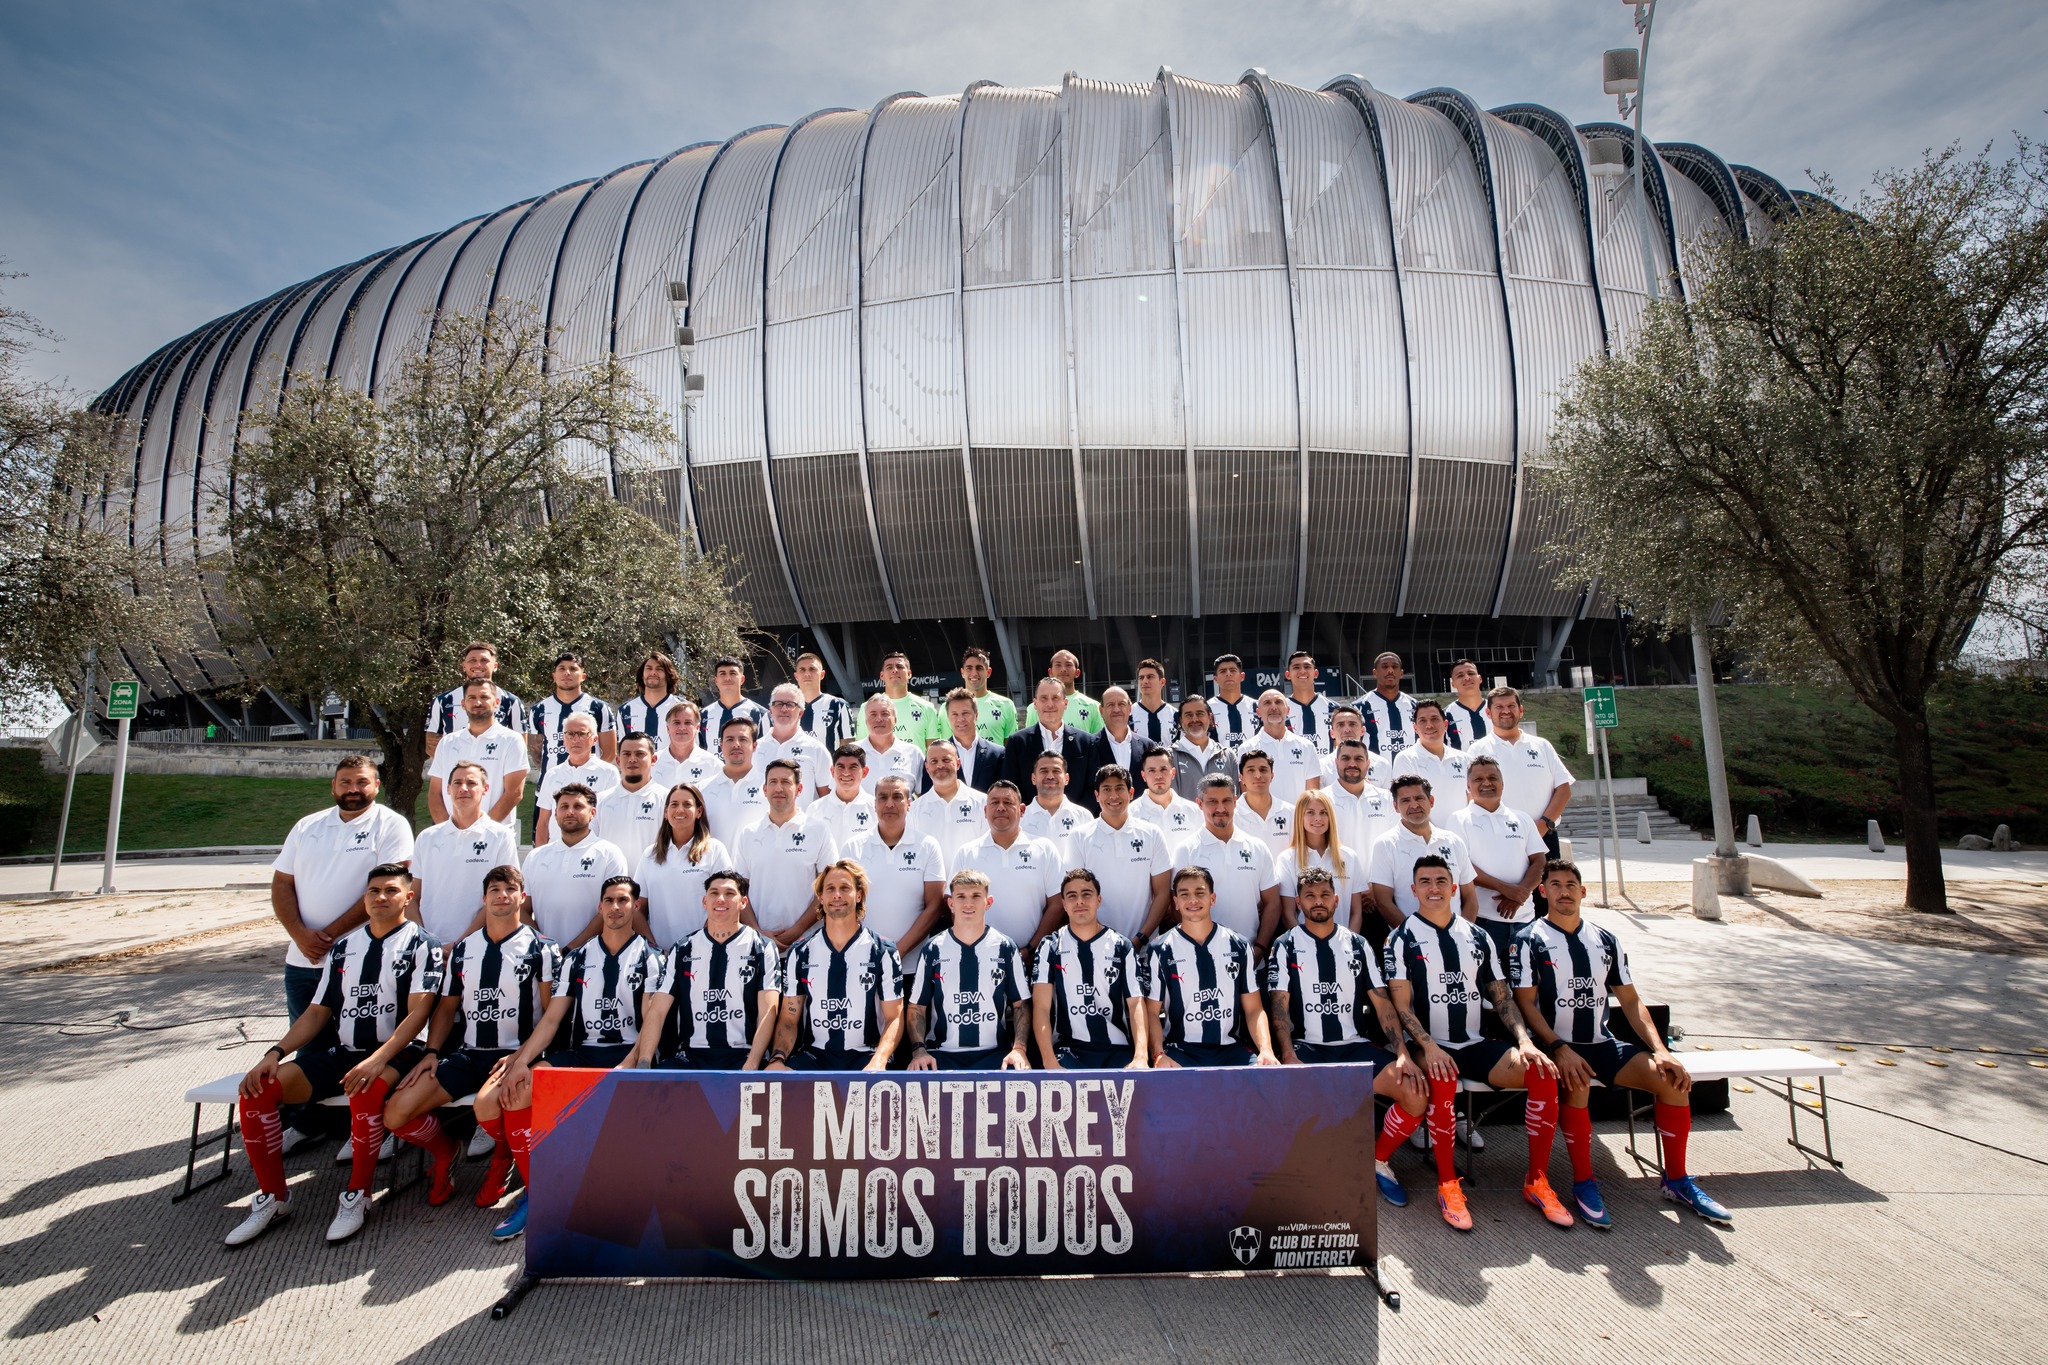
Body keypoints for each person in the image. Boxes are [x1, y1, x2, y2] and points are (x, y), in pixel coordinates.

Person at [224, 865, 441, 1247]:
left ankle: (358, 1195)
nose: (381, 897)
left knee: (365, 1089)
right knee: (259, 1090)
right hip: (346, 1052)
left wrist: (377, 1060)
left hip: (400, 1052)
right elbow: (316, 1012)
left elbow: (418, 1014)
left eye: (391, 890)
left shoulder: (424, 944)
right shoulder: (344, 947)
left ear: (408, 897)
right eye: (374, 890)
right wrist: (274, 1053)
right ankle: (274, 1197)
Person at [1514, 861, 1732, 1226]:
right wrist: (1558, 1048)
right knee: (1578, 1083)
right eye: (1556, 885)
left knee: (1672, 1081)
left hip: (1602, 1043)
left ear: (1583, 892)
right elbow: (1524, 1003)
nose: (1564, 892)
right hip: (1557, 1047)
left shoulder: (1605, 939)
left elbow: (1630, 1001)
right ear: (1543, 891)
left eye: (1571, 885)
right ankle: (1584, 1183)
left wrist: (1662, 1051)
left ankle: (1677, 1181)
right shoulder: (1528, 939)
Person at [1384, 855, 1570, 1233]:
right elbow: (1400, 1006)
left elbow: (1502, 997)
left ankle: (1537, 1181)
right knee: (1442, 1077)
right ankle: (1447, 1186)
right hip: (1429, 1045)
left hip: (1473, 1042)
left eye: (1441, 881)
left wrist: (1525, 1041)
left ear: (1454, 888)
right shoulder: (1399, 939)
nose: (1434, 888)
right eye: (1425, 882)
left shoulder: (1477, 935)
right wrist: (1429, 1047)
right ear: (1413, 890)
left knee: (1542, 1073)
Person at [382, 865, 560, 1240]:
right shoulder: (464, 949)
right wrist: (432, 1051)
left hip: (516, 1055)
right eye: (494, 890)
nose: (502, 895)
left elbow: (551, 1013)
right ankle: (445, 1152)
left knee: (486, 1106)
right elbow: (447, 1008)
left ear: (522, 898)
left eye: (510, 889)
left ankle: (502, 1156)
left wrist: (526, 1058)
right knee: (396, 1112)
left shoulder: (543, 948)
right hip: (470, 1053)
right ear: (484, 899)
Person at [484, 875, 664, 1235]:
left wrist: (626, 1066)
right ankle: (539, 1193)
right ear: (599, 907)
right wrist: (522, 1061)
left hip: (628, 1053)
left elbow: (651, 1023)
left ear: (636, 906)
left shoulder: (652, 957)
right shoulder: (578, 958)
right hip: (582, 1052)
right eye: (609, 901)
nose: (615, 907)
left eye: (623, 901)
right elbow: (552, 1018)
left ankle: (613, 1196)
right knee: (514, 1092)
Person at [1264, 867, 1429, 1207]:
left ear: (1336, 900)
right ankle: (1305, 1170)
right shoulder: (1285, 945)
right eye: (1310, 896)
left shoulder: (1358, 944)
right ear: (1298, 902)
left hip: (1355, 1047)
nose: (1318, 901)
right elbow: (1279, 1007)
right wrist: (1288, 1055)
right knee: (1283, 1100)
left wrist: (1402, 1053)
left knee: (1414, 1093)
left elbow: (1382, 1003)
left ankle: (1378, 1159)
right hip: (1307, 1048)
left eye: (1325, 895)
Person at [270, 755, 416, 1132]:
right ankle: (305, 1125)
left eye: (362, 782)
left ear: (376, 786)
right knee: (310, 1047)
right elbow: (282, 883)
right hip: (303, 960)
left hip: (363, 959)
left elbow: (385, 888)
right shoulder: (307, 826)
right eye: (346, 782)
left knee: (361, 1047)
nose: (353, 789)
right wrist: (300, 934)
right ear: (333, 785)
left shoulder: (390, 824)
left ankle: (355, 1126)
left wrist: (330, 936)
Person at [764, 861, 905, 1071]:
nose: (837, 895)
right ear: (821, 898)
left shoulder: (883, 951)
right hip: (814, 1057)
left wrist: (879, 1060)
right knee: (780, 1081)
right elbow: (789, 1019)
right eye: (830, 889)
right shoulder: (800, 952)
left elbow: (894, 1017)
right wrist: (777, 1059)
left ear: (859, 895)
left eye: (845, 888)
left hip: (865, 1055)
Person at [638, 869, 783, 1070]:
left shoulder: (761, 947)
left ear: (743, 902)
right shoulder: (683, 948)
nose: (720, 899)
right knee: (658, 1082)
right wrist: (644, 1063)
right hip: (691, 1055)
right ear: (705, 901)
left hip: (742, 1055)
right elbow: (657, 1011)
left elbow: (768, 1011)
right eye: (714, 893)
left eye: (729, 893)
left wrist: (751, 1064)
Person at [1140, 868, 1281, 1068]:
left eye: (1200, 893)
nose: (1193, 900)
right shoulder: (1160, 948)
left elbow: (1254, 1009)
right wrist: (1158, 1054)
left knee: (1266, 1075)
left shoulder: (1238, 945)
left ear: (1212, 899)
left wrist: (1266, 1050)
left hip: (1230, 1049)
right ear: (1176, 902)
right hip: (1181, 1049)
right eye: (1184, 894)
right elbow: (1152, 1012)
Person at [904, 870, 1032, 1071]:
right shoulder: (933, 948)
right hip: (942, 1054)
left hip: (994, 1054)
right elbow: (917, 1008)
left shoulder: (1005, 947)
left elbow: (1020, 1005)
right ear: (950, 903)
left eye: (976, 896)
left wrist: (1019, 1049)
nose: (968, 904)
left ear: (988, 902)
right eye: (961, 897)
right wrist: (919, 1051)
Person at [1032, 870, 1148, 1069]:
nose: (1079, 901)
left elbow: (1136, 1004)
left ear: (1098, 900)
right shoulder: (1050, 946)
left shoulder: (1121, 945)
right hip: (1070, 1048)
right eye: (1072, 896)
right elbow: (1041, 1008)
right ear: (1063, 904)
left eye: (1086, 894)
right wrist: (1049, 1061)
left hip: (1116, 1049)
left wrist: (1140, 1057)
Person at [1451, 756, 1549, 964]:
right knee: (1489, 981)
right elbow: (1462, 866)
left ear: (1502, 783)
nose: (1486, 783)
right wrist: (1505, 889)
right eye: (1478, 779)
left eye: (1492, 778)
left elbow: (1539, 862)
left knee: (1528, 980)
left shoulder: (1522, 818)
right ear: (1468, 786)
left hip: (1525, 921)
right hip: (1484, 922)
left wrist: (1519, 895)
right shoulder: (1458, 819)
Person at [731, 758, 838, 946]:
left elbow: (829, 887)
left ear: (799, 789)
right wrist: (758, 933)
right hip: (758, 945)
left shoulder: (818, 830)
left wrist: (796, 932)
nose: (779, 788)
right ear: (764, 789)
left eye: (786, 782)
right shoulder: (749, 833)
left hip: (807, 944)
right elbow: (740, 889)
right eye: (773, 782)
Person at [411, 761, 520, 945]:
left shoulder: (500, 836)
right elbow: (413, 898)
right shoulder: (426, 838)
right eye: (457, 783)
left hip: (478, 945)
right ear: (448, 789)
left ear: (485, 789)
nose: (463, 788)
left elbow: (504, 897)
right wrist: (426, 942)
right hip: (429, 948)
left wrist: (461, 944)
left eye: (471, 783)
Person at [841, 775, 947, 957]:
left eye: (897, 797)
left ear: (909, 804)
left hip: (914, 962)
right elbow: (844, 904)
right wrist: (870, 952)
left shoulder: (928, 846)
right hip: (863, 958)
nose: (889, 804)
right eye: (883, 797)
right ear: (875, 804)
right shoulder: (853, 847)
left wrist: (898, 951)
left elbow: (935, 906)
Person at [951, 781, 1065, 949]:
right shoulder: (966, 853)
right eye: (994, 802)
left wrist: (1031, 950)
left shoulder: (1044, 849)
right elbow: (955, 906)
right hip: (981, 955)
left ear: (1022, 810)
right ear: (985, 811)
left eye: (1008, 802)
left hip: (1032, 955)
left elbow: (1057, 904)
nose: (1001, 808)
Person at [1466, 686, 1574, 857]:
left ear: (1521, 710)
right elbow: (1472, 795)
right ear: (1488, 713)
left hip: (1544, 835)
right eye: (1499, 707)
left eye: (1511, 706)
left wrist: (1543, 824)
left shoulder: (1542, 745)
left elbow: (1563, 789)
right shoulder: (1477, 750)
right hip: (1499, 838)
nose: (1506, 711)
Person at [1179, 774, 1281, 951]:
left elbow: (1273, 903)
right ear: (1199, 804)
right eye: (1212, 802)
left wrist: (1259, 948)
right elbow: (1177, 906)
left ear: (1235, 801)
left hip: (1251, 955)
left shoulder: (1257, 847)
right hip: (1203, 955)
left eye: (1226, 801)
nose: (1220, 808)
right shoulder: (1186, 850)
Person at [1070, 765, 1172, 940]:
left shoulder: (1152, 834)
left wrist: (1141, 938)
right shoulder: (1079, 837)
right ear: (1096, 795)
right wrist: (1104, 941)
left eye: (1119, 788)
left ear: (1131, 793)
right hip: (1097, 944)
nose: (1113, 796)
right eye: (1106, 789)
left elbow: (1162, 893)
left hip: (1144, 946)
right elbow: (1076, 893)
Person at [522, 785, 629, 948]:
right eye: (564, 807)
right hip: (545, 956)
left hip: (593, 954)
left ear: (592, 813)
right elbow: (522, 909)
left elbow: (613, 909)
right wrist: (545, 946)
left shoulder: (610, 854)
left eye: (578, 806)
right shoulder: (535, 857)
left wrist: (572, 950)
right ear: (556, 813)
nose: (570, 812)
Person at [1366, 776, 1479, 928]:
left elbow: (1470, 898)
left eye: (1419, 798)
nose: (1414, 805)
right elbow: (1383, 902)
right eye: (1405, 800)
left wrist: (1463, 934)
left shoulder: (1454, 841)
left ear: (1431, 801)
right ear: (1395, 806)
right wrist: (1413, 936)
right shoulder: (1385, 844)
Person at [634, 783, 736, 949]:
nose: (680, 810)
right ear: (666, 813)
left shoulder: (715, 850)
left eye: (687, 804)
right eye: (674, 804)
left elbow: (726, 904)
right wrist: (654, 949)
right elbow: (637, 910)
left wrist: (695, 948)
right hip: (661, 955)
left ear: (699, 811)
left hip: (704, 952)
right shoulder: (649, 855)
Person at [426, 680, 529, 828]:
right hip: (451, 836)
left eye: (484, 697)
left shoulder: (512, 740)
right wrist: (449, 830)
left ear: (497, 702)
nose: (478, 702)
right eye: (472, 698)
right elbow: (435, 793)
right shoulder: (447, 742)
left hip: (494, 835)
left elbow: (514, 793)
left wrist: (479, 831)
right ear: (463, 704)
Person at [1326, 739, 1400, 913]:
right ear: (1336, 762)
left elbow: (1395, 846)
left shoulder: (1387, 799)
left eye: (1358, 759)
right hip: (1337, 897)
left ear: (1368, 763)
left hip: (1379, 896)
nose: (1352, 764)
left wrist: (1375, 888)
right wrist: (1351, 891)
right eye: (1345, 758)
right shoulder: (1322, 800)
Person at [1276, 789, 1365, 931]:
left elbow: (1356, 913)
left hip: (1344, 942)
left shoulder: (1349, 857)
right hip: (1303, 943)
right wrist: (1307, 941)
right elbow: (1288, 915)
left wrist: (1349, 941)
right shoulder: (1287, 859)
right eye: (1310, 812)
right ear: (1299, 817)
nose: (1318, 818)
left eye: (1323, 813)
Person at [424, 642, 525, 759]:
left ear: (495, 666)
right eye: (472, 660)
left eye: (484, 660)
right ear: (464, 666)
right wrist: (457, 767)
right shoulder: (443, 701)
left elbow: (521, 745)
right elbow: (431, 744)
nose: (478, 665)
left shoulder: (511, 701)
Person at [527, 651, 617, 781]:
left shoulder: (599, 707)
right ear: (554, 676)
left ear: (583, 676)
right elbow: (536, 753)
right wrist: (555, 776)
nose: (567, 673)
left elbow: (609, 752)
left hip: (587, 786)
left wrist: (591, 775)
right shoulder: (538, 710)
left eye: (573, 669)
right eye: (562, 669)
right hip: (551, 786)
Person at [533, 713, 621, 845]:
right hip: (556, 850)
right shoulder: (552, 774)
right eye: (570, 734)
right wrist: (540, 854)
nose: (575, 739)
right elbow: (543, 822)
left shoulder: (608, 773)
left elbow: (613, 820)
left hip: (593, 850)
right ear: (564, 739)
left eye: (582, 734)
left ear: (594, 739)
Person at [1003, 676, 1091, 800]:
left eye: (1055, 698)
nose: (1050, 704)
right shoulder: (1017, 742)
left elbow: (1092, 787)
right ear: (1035, 703)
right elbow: (1011, 786)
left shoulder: (1086, 742)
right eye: (1044, 698)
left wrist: (1074, 811)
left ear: (1065, 703)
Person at [907, 738, 989, 871]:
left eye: (946, 760)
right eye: (934, 761)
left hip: (972, 882)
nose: (940, 766)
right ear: (927, 768)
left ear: (958, 763)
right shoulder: (914, 809)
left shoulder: (983, 802)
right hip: (931, 883)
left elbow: (988, 850)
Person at [756, 683, 833, 805]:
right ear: (770, 711)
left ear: (801, 713)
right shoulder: (754, 749)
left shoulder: (816, 750)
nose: (784, 709)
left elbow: (827, 799)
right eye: (778, 704)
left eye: (790, 704)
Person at [1241, 691, 1322, 804]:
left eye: (1278, 702)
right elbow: (1247, 795)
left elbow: (1312, 795)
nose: (1273, 707)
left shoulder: (1306, 747)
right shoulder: (1247, 749)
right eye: (1267, 703)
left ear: (1288, 710)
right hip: (1262, 815)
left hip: (1298, 815)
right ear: (1258, 712)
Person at [594, 732, 669, 855]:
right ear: (618, 760)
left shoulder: (668, 799)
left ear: (653, 759)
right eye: (626, 754)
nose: (632, 759)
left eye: (640, 754)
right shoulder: (599, 801)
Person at [699, 715, 772, 839]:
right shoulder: (702, 789)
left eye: (743, 739)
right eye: (730, 739)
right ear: (721, 745)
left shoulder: (770, 788)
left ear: (755, 746)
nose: (736, 744)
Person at [1019, 750, 1096, 866]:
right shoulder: (1020, 818)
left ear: (1067, 779)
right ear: (1033, 778)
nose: (1050, 776)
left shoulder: (1084, 817)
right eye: (1044, 771)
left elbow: (1091, 860)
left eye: (1056, 771)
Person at [1391, 700, 1471, 805]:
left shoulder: (1464, 759)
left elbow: (1472, 798)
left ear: (1446, 724)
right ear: (1415, 728)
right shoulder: (1406, 759)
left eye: (1434, 719)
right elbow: (1405, 804)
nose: (1429, 725)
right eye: (1422, 721)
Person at [1085, 686, 1153, 808]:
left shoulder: (1147, 746)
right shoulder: (1088, 746)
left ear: (1130, 708)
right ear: (1101, 710)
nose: (1116, 709)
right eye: (1110, 705)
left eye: (1121, 704)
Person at [1130, 746, 1204, 857]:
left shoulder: (1194, 811)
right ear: (1143, 776)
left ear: (1173, 773)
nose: (1158, 776)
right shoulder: (1130, 814)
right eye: (1152, 770)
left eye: (1163, 769)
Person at [866, 650, 943, 746]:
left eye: (900, 667)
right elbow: (861, 748)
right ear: (882, 675)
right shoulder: (867, 708)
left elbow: (933, 750)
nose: (895, 670)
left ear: (909, 674)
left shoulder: (927, 708)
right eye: (889, 667)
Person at [1170, 694, 1238, 801]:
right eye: (1188, 715)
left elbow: (1235, 798)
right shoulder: (1169, 756)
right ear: (1181, 720)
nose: (1194, 719)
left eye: (1200, 714)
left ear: (1210, 718)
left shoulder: (1228, 756)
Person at [940, 686, 1006, 793]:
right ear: (948, 717)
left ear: (976, 715)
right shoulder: (937, 756)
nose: (960, 719)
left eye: (965, 713)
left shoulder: (997, 754)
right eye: (955, 714)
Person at [855, 692, 925, 794]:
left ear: (895, 720)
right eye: (873, 714)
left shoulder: (913, 753)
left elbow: (924, 796)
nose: (879, 719)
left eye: (885, 714)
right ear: (866, 721)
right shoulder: (851, 753)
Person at [811, 743, 880, 847]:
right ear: (832, 771)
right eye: (841, 767)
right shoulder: (815, 809)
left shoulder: (876, 808)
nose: (846, 773)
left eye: (853, 767)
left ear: (865, 772)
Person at [1356, 651, 1418, 759]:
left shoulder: (1415, 706)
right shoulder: (1359, 707)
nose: (1390, 670)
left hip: (1410, 768)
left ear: (1401, 673)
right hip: (1374, 768)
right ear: (1375, 673)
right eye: (1384, 667)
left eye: (1394, 667)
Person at [613, 651, 684, 743]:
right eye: (649, 668)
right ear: (642, 675)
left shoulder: (683, 708)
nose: (653, 672)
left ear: (668, 675)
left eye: (659, 669)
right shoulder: (625, 710)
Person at [1233, 749, 1295, 854]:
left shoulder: (1291, 813)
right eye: (1251, 770)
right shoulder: (1232, 815)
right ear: (1241, 778)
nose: (1258, 775)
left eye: (1263, 770)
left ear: (1272, 776)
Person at [651, 699, 720, 791]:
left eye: (688, 723)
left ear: (697, 728)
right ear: (667, 728)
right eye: (676, 722)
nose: (682, 727)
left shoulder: (713, 765)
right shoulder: (651, 763)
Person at [1320, 706, 1392, 792]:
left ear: (1362, 731)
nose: (1347, 729)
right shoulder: (1322, 767)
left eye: (1352, 724)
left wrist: (1370, 791)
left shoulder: (1382, 764)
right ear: (1332, 733)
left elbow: (1389, 798)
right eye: (1340, 725)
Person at [701, 654, 768, 744]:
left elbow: (767, 748)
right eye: (722, 673)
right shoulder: (703, 715)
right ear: (716, 680)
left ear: (742, 679)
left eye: (733, 673)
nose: (727, 678)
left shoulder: (760, 714)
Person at [793, 651, 853, 750]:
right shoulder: (787, 707)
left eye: (812, 669)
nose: (807, 674)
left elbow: (848, 744)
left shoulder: (838, 705)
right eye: (802, 670)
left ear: (822, 674)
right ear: (796, 676)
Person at [959, 645, 1018, 745]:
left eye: (979, 668)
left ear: (988, 672)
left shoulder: (1006, 705)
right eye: (969, 668)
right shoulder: (949, 707)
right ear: (962, 672)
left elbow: (1011, 747)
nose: (974, 673)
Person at [1282, 650, 1334, 752]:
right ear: (1288, 675)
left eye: (1307, 667)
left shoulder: (1333, 709)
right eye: (1296, 667)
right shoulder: (1280, 711)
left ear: (1315, 673)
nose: (1302, 671)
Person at [1206, 654, 1258, 747]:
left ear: (1242, 676)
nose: (1228, 674)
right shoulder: (1207, 708)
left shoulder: (1256, 706)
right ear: (1215, 679)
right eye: (1223, 671)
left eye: (1233, 670)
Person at [1048, 648, 1103, 733]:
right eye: (1058, 665)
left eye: (1068, 665)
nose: (1063, 669)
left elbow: (1098, 739)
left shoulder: (1094, 706)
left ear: (1077, 673)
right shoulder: (1036, 708)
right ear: (1050, 672)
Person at [1444, 658, 1491, 750]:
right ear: (1453, 684)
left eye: (1471, 673)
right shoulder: (1445, 715)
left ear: (1480, 678)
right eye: (1460, 675)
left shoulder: (1497, 710)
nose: (1467, 678)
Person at [1131, 658, 1178, 748]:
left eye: (1150, 677)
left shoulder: (1175, 715)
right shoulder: (1129, 715)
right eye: (1141, 678)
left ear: (1162, 682)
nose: (1145, 681)